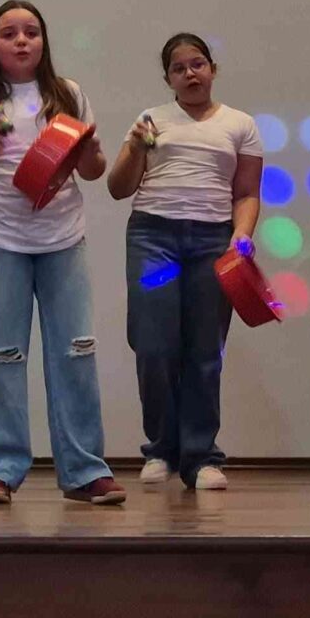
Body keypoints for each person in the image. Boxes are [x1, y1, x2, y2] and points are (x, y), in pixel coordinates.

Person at [0, 0, 124, 506]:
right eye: (9, 33)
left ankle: (84, 470)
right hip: (0, 240)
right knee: (3, 355)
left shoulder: (68, 94)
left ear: (43, 41)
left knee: (76, 352)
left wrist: (91, 152)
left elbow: (92, 170)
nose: (21, 41)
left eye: (31, 32)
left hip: (63, 239)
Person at [104, 32, 262, 491]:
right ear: (168, 78)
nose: (190, 74)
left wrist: (241, 237)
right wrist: (136, 148)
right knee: (153, 346)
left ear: (212, 69)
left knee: (205, 351)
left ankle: (201, 457)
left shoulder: (241, 124)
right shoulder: (151, 120)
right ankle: (161, 449)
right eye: (179, 68)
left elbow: (247, 193)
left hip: (212, 242)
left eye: (197, 64)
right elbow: (117, 188)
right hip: (153, 237)